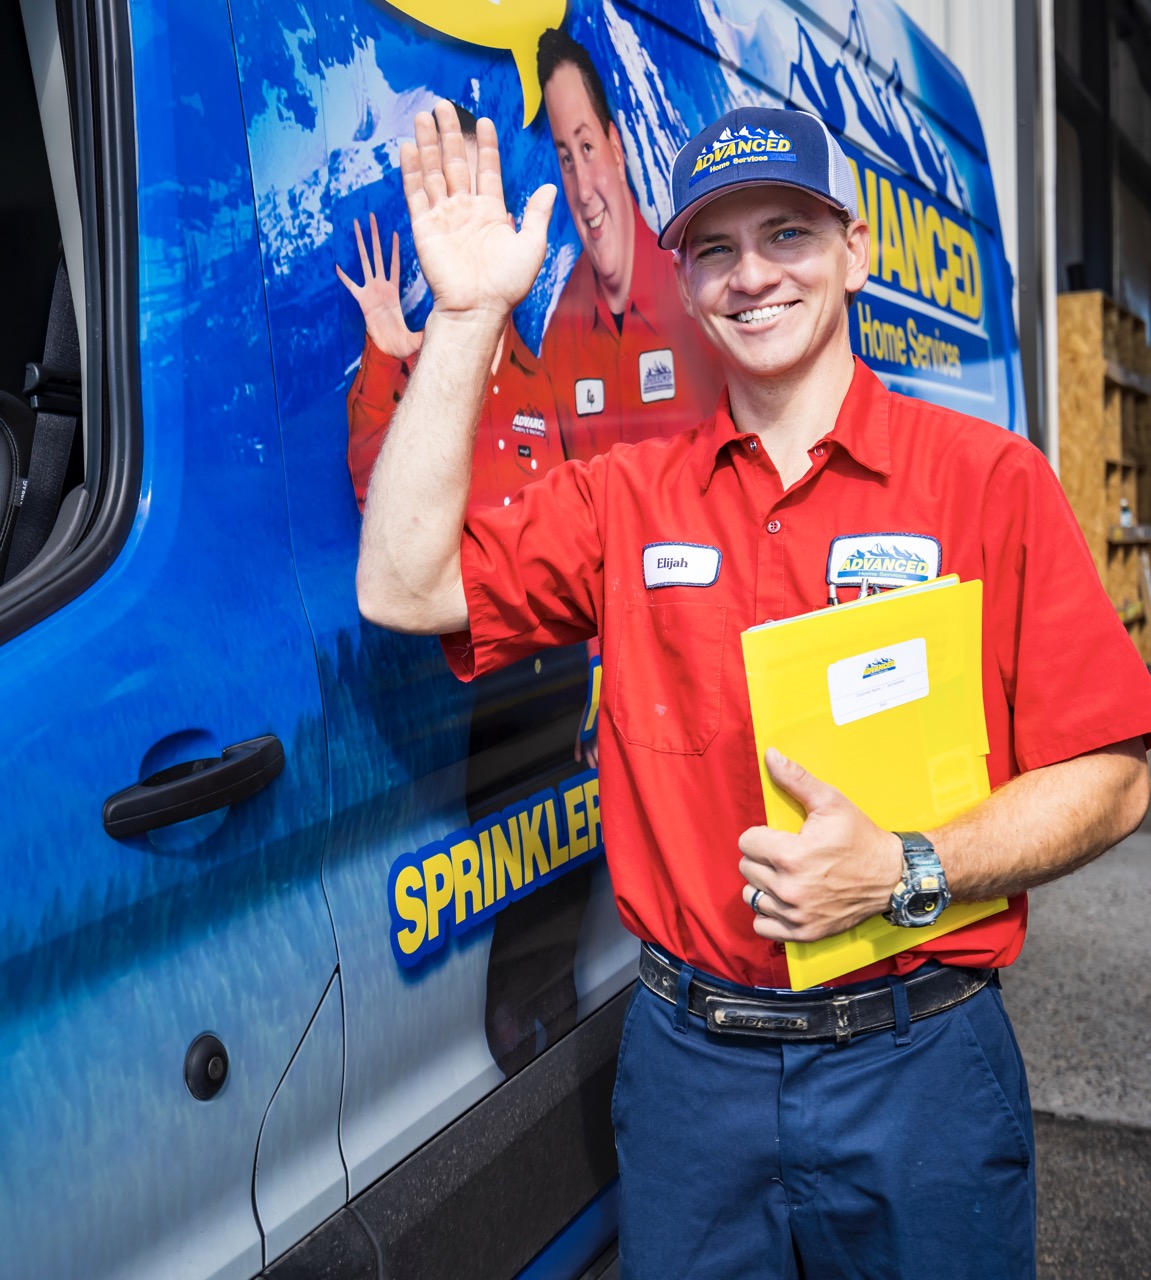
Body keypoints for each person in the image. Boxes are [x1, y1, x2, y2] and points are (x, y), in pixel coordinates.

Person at [355, 99, 1151, 1279]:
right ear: (681, 277)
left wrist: (905, 866)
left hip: (918, 1067)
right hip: (692, 1079)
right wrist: (469, 317)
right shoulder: (626, 500)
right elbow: (405, 585)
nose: (751, 276)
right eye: (715, 249)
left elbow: (1111, 776)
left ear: (853, 249)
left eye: (786, 233)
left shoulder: (986, 481)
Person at [339, 106, 592, 1079]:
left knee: (562, 827)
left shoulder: (543, 380)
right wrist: (389, 351)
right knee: (506, 828)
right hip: (479, 660)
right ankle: (513, 1005)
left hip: (557, 659)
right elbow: (375, 482)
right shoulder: (419, 376)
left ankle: (548, 988)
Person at [536, 28, 725, 460]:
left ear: (616, 150)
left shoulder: (702, 294)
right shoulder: (560, 339)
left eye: (587, 147)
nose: (583, 190)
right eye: (566, 158)